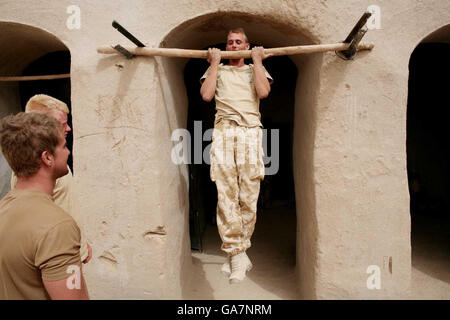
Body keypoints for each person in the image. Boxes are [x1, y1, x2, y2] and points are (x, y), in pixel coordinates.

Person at [200, 28, 273, 283]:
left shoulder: (256, 67)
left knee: (248, 194)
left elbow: (263, 92)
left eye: (238, 42)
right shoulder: (217, 68)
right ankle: (236, 254)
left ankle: (238, 252)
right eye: (230, 42)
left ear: (247, 44)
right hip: (223, 131)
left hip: (250, 132)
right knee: (226, 193)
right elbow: (207, 95)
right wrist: (214, 63)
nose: (233, 45)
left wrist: (258, 61)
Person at [0, 112, 89, 299]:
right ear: (47, 157)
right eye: (63, 146)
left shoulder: (4, 208)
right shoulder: (57, 227)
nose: (68, 152)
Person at [10, 94, 91, 264]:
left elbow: (66, 203)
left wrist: (81, 244)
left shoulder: (55, 160)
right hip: (58, 253)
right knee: (71, 290)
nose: (68, 128)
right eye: (62, 124)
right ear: (43, 127)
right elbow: (34, 217)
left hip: (68, 248)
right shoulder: (37, 166)